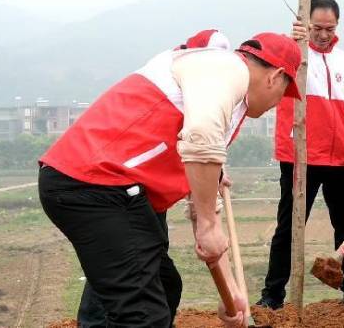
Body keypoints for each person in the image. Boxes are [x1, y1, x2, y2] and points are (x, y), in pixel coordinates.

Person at [39, 30, 301, 327]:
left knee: (164, 287)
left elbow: (203, 198)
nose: (279, 103)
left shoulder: (218, 96)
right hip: (94, 184)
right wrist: (208, 225)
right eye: (285, 92)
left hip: (115, 191)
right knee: (143, 314)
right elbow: (202, 140)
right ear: (275, 76)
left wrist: (230, 292)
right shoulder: (225, 68)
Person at [258, 0, 344, 311]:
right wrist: (293, 41)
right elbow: (270, 58)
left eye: (330, 28)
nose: (324, 34)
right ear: (305, 24)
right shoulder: (293, 52)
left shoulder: (342, 59)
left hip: (340, 156)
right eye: (317, 28)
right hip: (301, 156)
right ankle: (272, 295)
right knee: (289, 227)